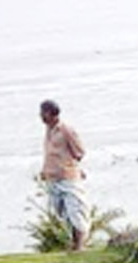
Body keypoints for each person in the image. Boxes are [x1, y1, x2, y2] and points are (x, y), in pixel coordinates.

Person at [39, 99, 89, 249]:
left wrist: (69, 165)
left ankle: (79, 245)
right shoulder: (48, 130)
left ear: (51, 113)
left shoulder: (66, 130)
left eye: (43, 113)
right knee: (62, 213)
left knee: (75, 211)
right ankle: (74, 243)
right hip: (52, 179)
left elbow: (79, 152)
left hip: (67, 177)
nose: (41, 116)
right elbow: (49, 153)